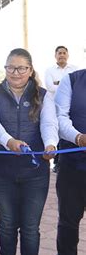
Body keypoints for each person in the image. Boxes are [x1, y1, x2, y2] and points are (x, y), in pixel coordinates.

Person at [0, 48, 58, 255]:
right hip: (3, 173)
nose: (15, 73)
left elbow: (49, 124)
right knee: (7, 227)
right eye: (10, 68)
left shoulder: (43, 95)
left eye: (21, 68)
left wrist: (50, 144)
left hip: (35, 174)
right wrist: (9, 142)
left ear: (30, 70)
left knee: (30, 229)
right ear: (5, 68)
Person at [55, 68, 86, 255]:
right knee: (68, 224)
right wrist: (79, 138)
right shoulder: (72, 80)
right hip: (72, 168)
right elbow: (60, 117)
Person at [44, 46, 77, 174]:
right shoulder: (50, 70)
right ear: (55, 56)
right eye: (59, 53)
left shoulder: (74, 70)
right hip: (53, 107)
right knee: (55, 133)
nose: (62, 55)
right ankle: (57, 162)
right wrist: (66, 86)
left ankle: (64, 160)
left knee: (67, 132)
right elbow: (50, 86)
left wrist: (59, 83)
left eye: (64, 53)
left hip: (70, 107)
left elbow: (76, 87)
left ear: (67, 55)